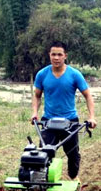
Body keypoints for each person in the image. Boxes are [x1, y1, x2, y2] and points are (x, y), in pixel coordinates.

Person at [31, 41, 96, 182]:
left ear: (65, 56)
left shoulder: (74, 74)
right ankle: (44, 183)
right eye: (53, 54)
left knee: (73, 154)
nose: (56, 58)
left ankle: (73, 178)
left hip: (70, 121)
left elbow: (88, 96)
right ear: (49, 55)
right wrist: (35, 113)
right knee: (44, 153)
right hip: (48, 120)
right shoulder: (42, 74)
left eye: (59, 54)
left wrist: (92, 117)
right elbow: (37, 96)